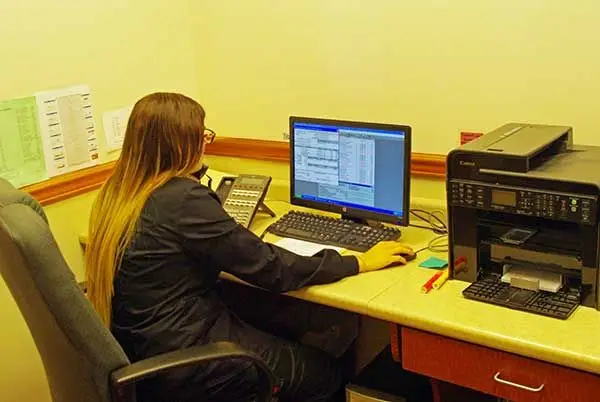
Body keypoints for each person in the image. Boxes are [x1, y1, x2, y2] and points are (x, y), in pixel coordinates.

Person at [85, 92, 415, 402]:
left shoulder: (118, 194)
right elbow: (272, 268)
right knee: (325, 373)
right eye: (202, 136)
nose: (206, 143)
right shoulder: (182, 200)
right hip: (191, 360)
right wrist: (357, 262)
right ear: (181, 144)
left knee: (289, 323)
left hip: (149, 350)